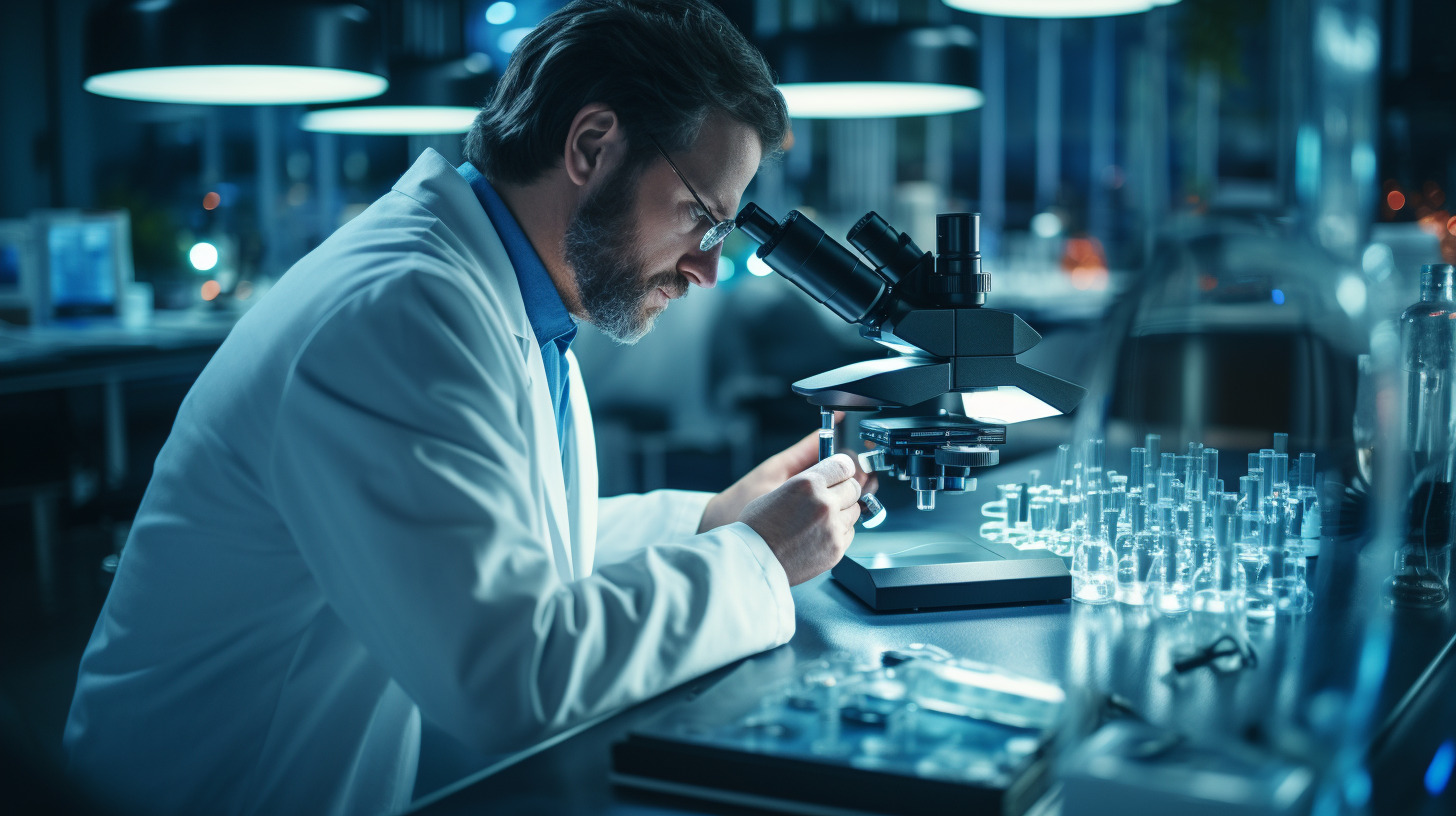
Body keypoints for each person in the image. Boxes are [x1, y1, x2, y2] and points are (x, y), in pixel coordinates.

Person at [62, 1, 874, 814]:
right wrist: (758, 559)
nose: (705, 268)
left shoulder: (500, 295)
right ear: (593, 146)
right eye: (701, 216)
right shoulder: (399, 313)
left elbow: (502, 545)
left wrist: (713, 523)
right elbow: (510, 675)